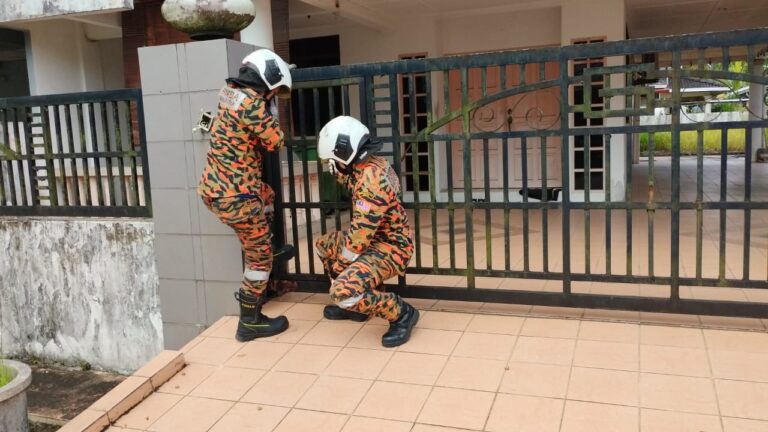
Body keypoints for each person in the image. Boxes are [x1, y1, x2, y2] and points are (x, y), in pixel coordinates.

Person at [198, 48, 294, 342]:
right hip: (236, 195)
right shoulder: (253, 105)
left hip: (217, 188)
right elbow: (276, 142)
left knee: (267, 193)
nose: (274, 96)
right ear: (267, 81)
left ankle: (262, 241)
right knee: (259, 261)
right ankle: (250, 322)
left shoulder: (228, 93)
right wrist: (271, 112)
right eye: (274, 91)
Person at [315, 115, 419, 347]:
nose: (331, 166)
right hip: (376, 239)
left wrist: (340, 267)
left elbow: (358, 240)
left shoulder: (371, 182)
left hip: (392, 247)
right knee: (324, 245)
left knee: (340, 291)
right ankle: (358, 307)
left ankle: (401, 313)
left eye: (332, 160)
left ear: (344, 154)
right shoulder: (367, 165)